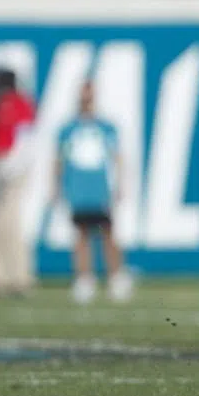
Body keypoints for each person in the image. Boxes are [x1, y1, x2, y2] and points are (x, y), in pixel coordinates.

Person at [53, 81, 133, 304]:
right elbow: (59, 160)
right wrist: (56, 186)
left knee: (108, 233)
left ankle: (116, 276)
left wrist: (120, 184)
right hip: (77, 189)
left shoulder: (106, 127)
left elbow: (117, 157)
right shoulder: (68, 129)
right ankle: (84, 278)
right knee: (81, 235)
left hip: (99, 190)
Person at [0, 68, 36, 296]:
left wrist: (12, 165)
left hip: (11, 167)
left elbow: (26, 138)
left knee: (11, 222)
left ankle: (19, 276)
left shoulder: (20, 104)